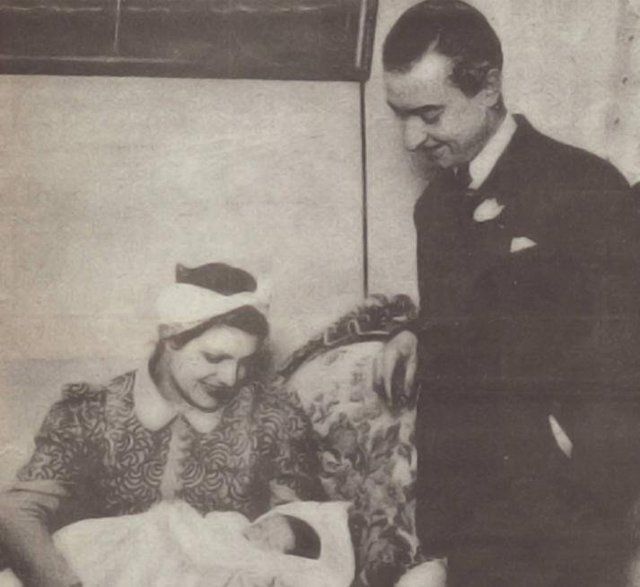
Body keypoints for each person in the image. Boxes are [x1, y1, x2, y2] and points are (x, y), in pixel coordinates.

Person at [378, 1, 640, 585]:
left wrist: (579, 461)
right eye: (400, 116)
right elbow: (472, 314)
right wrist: (416, 333)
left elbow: (625, 346)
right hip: (465, 518)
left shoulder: (586, 185)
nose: (411, 138)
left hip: (565, 520)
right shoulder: (435, 209)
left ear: (489, 86)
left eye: (429, 114)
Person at [0, 262, 323, 587]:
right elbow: (16, 512)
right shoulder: (89, 412)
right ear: (171, 338)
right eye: (214, 358)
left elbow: (307, 523)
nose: (230, 378)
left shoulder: (272, 417)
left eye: (245, 363)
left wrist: (293, 528)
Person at [0, 500, 355, 587]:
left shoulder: (262, 566)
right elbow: (201, 525)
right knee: (114, 544)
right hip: (156, 535)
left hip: (179, 562)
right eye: (265, 525)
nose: (258, 534)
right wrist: (174, 521)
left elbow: (224, 565)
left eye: (268, 540)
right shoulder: (233, 523)